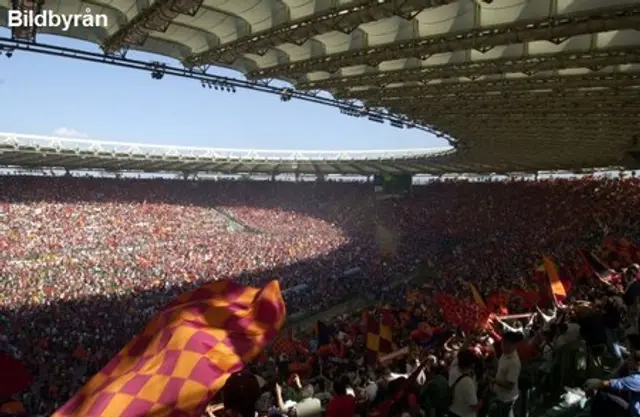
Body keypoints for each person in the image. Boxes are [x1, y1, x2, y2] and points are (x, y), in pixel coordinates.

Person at [585, 346, 640, 417]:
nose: (627, 361)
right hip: (631, 404)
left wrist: (590, 384)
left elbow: (610, 383)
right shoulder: (634, 373)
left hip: (634, 412)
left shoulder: (636, 379)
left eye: (630, 360)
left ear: (637, 363)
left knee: (604, 393)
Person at [490, 332, 522, 417]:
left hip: (506, 399)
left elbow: (509, 385)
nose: (503, 345)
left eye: (506, 343)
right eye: (503, 342)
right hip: (500, 395)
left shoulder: (514, 362)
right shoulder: (505, 354)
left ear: (514, 345)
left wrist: (493, 380)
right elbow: (500, 367)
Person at [448, 349, 482, 417]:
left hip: (452, 410)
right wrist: (482, 399)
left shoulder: (453, 370)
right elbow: (473, 406)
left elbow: (459, 355)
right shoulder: (468, 382)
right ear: (472, 365)